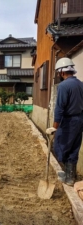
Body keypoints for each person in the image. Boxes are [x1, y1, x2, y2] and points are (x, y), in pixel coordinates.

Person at [51, 57, 83, 186]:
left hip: (68, 121)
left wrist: (54, 127)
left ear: (62, 72)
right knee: (74, 147)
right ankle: (70, 176)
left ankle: (68, 174)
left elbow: (60, 108)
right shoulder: (81, 84)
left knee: (60, 146)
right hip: (80, 120)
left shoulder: (64, 86)